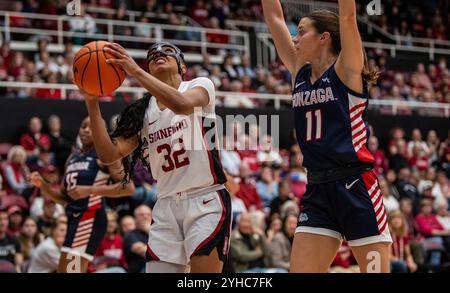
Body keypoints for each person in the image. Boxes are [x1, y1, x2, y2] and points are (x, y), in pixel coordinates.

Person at [79, 41, 232, 273]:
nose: (158, 54)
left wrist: (135, 71)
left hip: (206, 200)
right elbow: (109, 154)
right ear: (149, 69)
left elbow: (181, 105)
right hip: (166, 205)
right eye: (151, 55)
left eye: (167, 51)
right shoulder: (142, 112)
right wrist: (92, 103)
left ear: (182, 67)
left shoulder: (200, 85)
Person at [263, 0, 392, 273]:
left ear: (324, 37)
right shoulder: (300, 72)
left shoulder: (346, 68)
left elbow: (347, 17)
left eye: (301, 31)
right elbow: (274, 18)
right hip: (317, 189)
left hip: (356, 187)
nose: (295, 39)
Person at [29, 117, 135, 273]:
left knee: (71, 271)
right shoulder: (72, 158)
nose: (86, 130)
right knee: (66, 270)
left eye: (91, 127)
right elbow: (64, 198)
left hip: (90, 217)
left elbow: (129, 187)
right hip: (74, 218)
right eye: (83, 126)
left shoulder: (104, 155)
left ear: (101, 132)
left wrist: (90, 190)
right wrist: (43, 185)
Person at [123, 205, 152, 273]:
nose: (145, 217)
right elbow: (148, 255)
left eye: (148, 214)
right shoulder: (130, 235)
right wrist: (149, 230)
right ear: (135, 218)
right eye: (141, 215)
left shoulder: (158, 234)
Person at [0, 207, 23, 272]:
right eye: (0, 219)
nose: (2, 223)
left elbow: (18, 265)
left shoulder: (14, 240)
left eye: (5, 219)